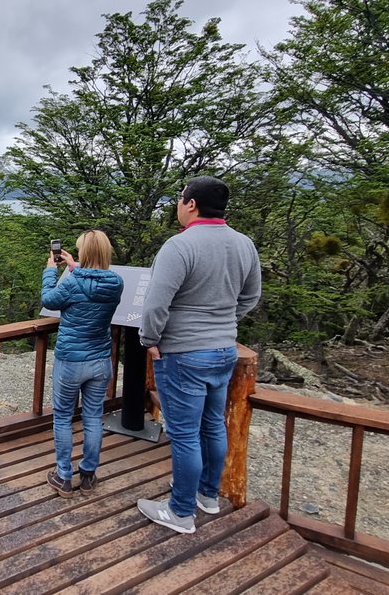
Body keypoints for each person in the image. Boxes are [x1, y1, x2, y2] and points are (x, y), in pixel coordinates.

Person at [136, 176, 261, 533]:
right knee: (212, 425)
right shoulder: (243, 244)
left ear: (191, 204)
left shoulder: (180, 246)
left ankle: (180, 512)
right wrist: (223, 322)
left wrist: (150, 339)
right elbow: (251, 296)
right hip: (223, 350)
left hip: (183, 353)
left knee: (185, 434)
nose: (178, 204)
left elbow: (156, 302)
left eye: (180, 199)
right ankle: (207, 496)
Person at [41, 229, 124, 497]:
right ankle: (88, 476)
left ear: (85, 253)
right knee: (93, 417)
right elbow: (93, 284)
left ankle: (64, 476)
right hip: (100, 360)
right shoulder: (116, 283)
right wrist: (76, 267)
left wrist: (51, 271)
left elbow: (49, 300)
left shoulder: (71, 283)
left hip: (71, 361)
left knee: (63, 417)